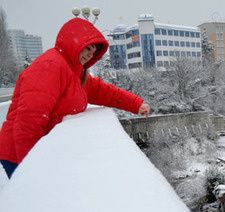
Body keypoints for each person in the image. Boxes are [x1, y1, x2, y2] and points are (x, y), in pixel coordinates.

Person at [0, 18, 150, 179]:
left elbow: (103, 92)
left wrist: (136, 104)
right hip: (19, 155)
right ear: (75, 43)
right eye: (89, 49)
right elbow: (29, 122)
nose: (90, 55)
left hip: (42, 149)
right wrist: (32, 171)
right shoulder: (49, 67)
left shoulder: (74, 70)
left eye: (94, 52)